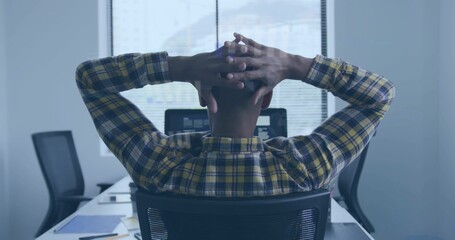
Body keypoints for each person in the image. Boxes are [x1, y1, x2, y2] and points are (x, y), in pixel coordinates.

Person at [76, 32, 395, 198]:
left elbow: (89, 79)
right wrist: (293, 64)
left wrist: (181, 66)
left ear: (203, 96)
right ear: (266, 98)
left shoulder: (158, 164)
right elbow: (378, 96)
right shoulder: (305, 167)